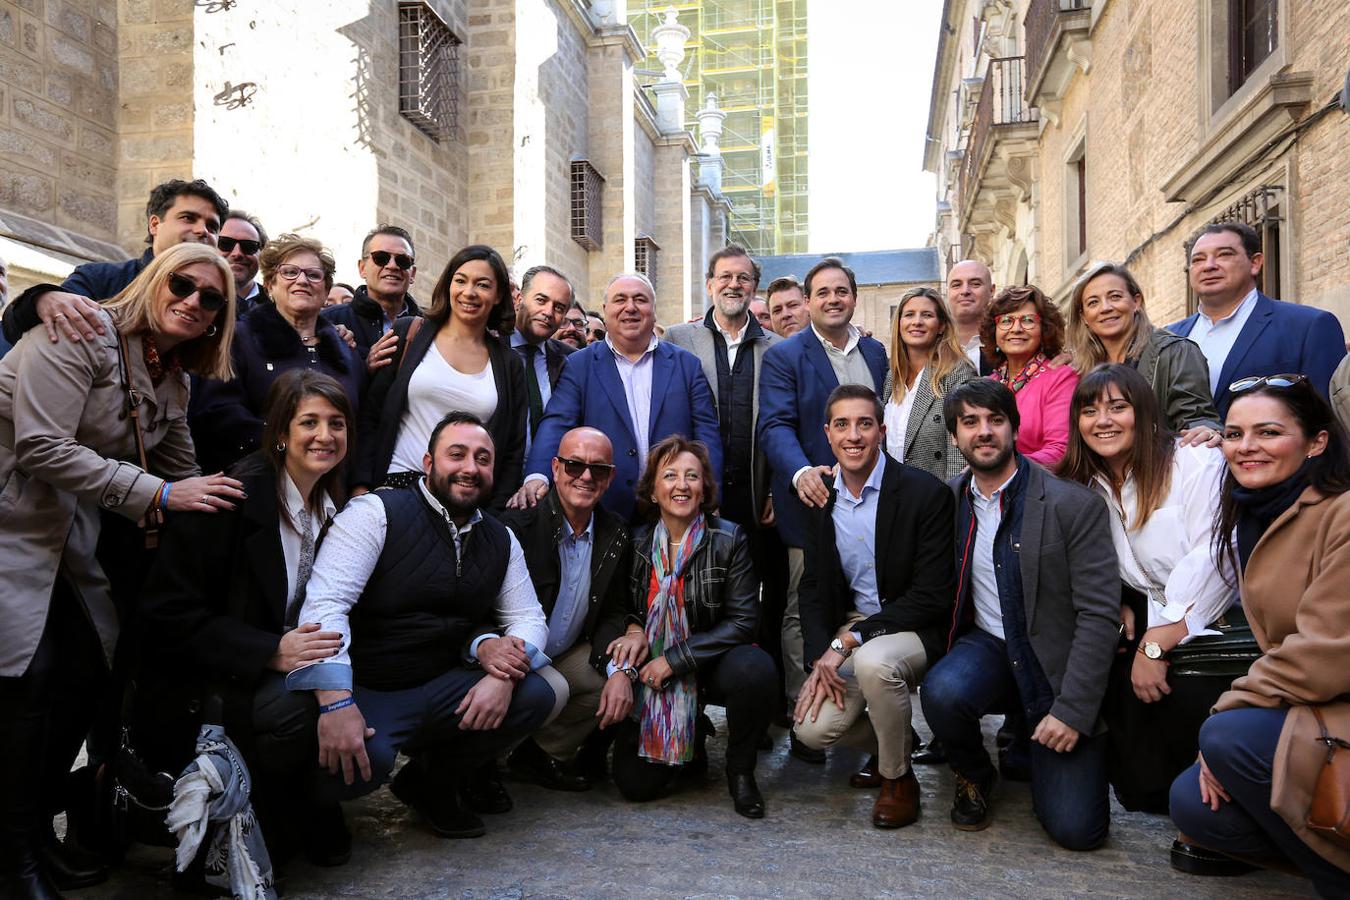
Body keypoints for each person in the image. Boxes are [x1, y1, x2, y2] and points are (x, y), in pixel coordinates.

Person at [0, 242, 244, 899]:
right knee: (32, 680)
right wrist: (162, 496)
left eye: (211, 298)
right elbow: (39, 445)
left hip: (58, 536)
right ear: (155, 281)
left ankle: (31, 837)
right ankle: (15, 853)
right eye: (183, 285)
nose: (193, 301)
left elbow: (187, 474)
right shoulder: (79, 331)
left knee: (83, 677)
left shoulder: (171, 376)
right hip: (8, 523)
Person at [286, 412, 556, 840]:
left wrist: (503, 675)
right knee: (362, 766)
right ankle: (312, 806)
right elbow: (326, 606)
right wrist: (335, 702)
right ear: (428, 463)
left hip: (442, 682)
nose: (470, 467)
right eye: (457, 454)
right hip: (372, 686)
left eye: (482, 458)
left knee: (540, 690)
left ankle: (431, 784)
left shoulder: (500, 538)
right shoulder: (376, 513)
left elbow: (528, 618)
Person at [140, 370, 355, 867]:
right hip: (213, 685)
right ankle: (264, 811)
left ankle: (306, 804)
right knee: (307, 703)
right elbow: (166, 615)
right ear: (280, 432)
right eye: (310, 422)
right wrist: (270, 651)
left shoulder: (331, 504)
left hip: (276, 669)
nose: (325, 436)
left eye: (337, 423)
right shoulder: (231, 499)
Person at [1170, 375, 1350, 895]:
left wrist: (1229, 712)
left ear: (1317, 441)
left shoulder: (1339, 512)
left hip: (1334, 694)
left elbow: (1325, 653)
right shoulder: (1255, 511)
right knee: (1195, 806)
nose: (1246, 447)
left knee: (1226, 738)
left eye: (1268, 432)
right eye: (1233, 433)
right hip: (1316, 703)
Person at [921, 379, 1119, 850]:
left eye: (995, 420)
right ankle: (974, 773)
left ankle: (1033, 741)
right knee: (943, 691)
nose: (983, 432)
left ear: (1015, 427)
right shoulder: (948, 503)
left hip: (1054, 668)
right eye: (970, 422)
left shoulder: (1072, 504)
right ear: (954, 436)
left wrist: (1072, 711)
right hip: (989, 646)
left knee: (1077, 831)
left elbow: (1098, 616)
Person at [1056, 364, 1233, 813]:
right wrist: (1117, 597)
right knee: (1139, 789)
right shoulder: (1083, 483)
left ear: (1146, 412)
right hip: (1150, 614)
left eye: (1119, 408)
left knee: (1185, 708)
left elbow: (1216, 556)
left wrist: (1158, 643)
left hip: (1217, 623)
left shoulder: (1193, 461)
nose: (1104, 421)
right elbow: (1089, 558)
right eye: (1090, 411)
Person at [793, 385, 956, 828]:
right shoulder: (822, 496)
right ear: (827, 434)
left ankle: (898, 779)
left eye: (864, 424)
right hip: (854, 625)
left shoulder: (924, 493)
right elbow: (812, 587)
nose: (853, 436)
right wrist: (817, 658)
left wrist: (847, 641)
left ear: (881, 431)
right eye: (842, 425)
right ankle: (891, 744)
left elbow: (933, 595)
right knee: (811, 728)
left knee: (873, 663)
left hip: (913, 625)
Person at [598, 436, 775, 818]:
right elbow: (621, 607)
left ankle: (740, 772)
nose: (682, 485)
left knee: (756, 670)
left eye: (692, 476)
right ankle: (688, 736)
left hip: (710, 661)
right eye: (670, 476)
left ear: (704, 487)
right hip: (650, 670)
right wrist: (632, 627)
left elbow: (744, 622)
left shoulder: (729, 538)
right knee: (635, 787)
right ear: (653, 489)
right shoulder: (637, 540)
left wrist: (675, 660)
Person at [759, 256, 888, 760]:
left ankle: (869, 710)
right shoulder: (785, 356)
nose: (833, 299)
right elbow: (774, 426)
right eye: (823, 292)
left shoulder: (877, 351)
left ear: (853, 297)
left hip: (871, 504)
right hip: (810, 502)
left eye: (842, 291)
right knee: (801, 607)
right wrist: (799, 473)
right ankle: (804, 707)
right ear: (808, 301)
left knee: (867, 602)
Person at [663, 247, 788, 716]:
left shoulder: (777, 348)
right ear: (710, 283)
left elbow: (784, 422)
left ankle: (767, 700)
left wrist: (779, 484)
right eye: (725, 277)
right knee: (697, 598)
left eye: (744, 278)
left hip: (759, 497)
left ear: (755, 287)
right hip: (696, 497)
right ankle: (690, 704)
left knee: (767, 597)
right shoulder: (678, 340)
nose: (734, 285)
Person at [511, 273, 722, 522]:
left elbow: (706, 434)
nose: (630, 307)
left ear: (653, 310)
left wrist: (710, 493)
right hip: (604, 511)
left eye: (640, 300)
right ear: (605, 309)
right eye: (620, 299)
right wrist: (537, 475)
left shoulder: (687, 365)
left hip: (673, 511)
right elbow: (557, 423)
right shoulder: (580, 365)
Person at [499, 427, 633, 790]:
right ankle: (483, 761)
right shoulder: (519, 525)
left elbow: (613, 611)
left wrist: (621, 669)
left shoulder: (615, 532)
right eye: (575, 465)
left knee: (614, 679)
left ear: (610, 478)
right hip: (512, 655)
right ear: (555, 468)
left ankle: (537, 755)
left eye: (598, 469)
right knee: (551, 687)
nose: (586, 476)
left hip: (564, 653)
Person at [355, 244, 527, 509]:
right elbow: (372, 414)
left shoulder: (509, 364)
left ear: (498, 295)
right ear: (448, 284)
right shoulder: (409, 333)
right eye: (460, 281)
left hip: (464, 502)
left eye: (482, 285)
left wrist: (494, 513)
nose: (469, 292)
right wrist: (360, 487)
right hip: (396, 488)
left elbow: (513, 449)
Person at [191, 234, 364, 473]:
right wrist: (289, 447)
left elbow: (358, 425)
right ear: (270, 284)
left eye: (313, 275)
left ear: (325, 292)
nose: (302, 280)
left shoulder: (346, 352)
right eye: (290, 272)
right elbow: (218, 413)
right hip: (257, 479)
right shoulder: (238, 338)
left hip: (332, 490)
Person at [2, 178, 230, 347]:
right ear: (154, 224)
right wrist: (41, 299)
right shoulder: (99, 279)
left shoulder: (223, 303)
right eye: (188, 218)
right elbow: (28, 334)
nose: (202, 231)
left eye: (212, 226)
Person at [1169, 221, 1346, 417]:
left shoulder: (1308, 326)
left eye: (1224, 255)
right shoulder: (1168, 337)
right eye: (1198, 259)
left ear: (1255, 263)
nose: (1209, 266)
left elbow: (1328, 418)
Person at [1067, 261, 1220, 442]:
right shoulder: (1081, 369)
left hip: (1162, 466)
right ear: (1084, 316)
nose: (1105, 308)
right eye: (1093, 303)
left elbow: (1195, 418)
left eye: (1115, 297)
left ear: (1136, 302)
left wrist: (1206, 430)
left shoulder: (1176, 352)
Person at [882, 286, 978, 481]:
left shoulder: (957, 372)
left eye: (926, 315)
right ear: (899, 323)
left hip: (937, 495)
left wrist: (954, 496)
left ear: (941, 326)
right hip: (893, 493)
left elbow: (961, 444)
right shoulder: (893, 376)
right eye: (909, 315)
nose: (917, 322)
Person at [981, 284, 1079, 467]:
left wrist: (1002, 468)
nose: (1016, 328)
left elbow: (1060, 450)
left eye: (1027, 320)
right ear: (994, 331)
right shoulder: (988, 384)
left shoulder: (1061, 378)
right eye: (1006, 320)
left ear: (1044, 329)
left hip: (1043, 489)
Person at [321, 224, 420, 367]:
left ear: (413, 273)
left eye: (402, 260)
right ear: (362, 268)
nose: (392, 266)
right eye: (381, 258)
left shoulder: (431, 327)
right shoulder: (330, 321)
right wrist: (363, 366)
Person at [507, 265, 577, 447]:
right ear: (519, 299)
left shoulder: (571, 361)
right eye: (541, 300)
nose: (548, 312)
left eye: (559, 307)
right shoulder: (487, 347)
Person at [947, 259, 997, 375]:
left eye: (975, 284)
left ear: (991, 291)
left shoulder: (1008, 345)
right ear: (948, 292)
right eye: (956, 285)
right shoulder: (933, 349)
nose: (965, 291)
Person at [219, 209, 269, 316]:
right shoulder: (189, 297)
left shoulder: (279, 306)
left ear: (262, 253)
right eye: (225, 243)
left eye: (249, 246)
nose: (237, 254)